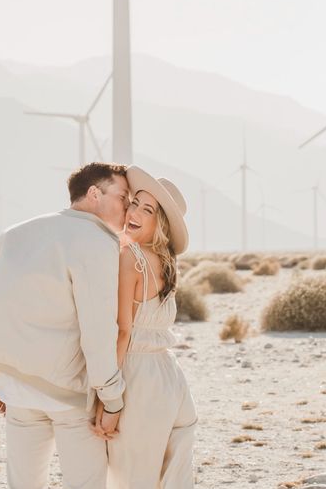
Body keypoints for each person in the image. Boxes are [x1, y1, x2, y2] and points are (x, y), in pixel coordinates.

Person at [0, 162, 130, 489]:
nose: (128, 206)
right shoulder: (96, 239)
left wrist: (2, 376)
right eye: (123, 196)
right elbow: (98, 330)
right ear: (95, 193)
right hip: (71, 397)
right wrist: (112, 400)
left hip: (17, 392)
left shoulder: (14, 233)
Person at [93, 164, 198, 488]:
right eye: (135, 202)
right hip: (171, 379)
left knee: (132, 478)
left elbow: (123, 331)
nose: (134, 212)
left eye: (147, 209)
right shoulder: (166, 261)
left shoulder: (130, 257)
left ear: (160, 222)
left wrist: (108, 401)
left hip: (139, 381)